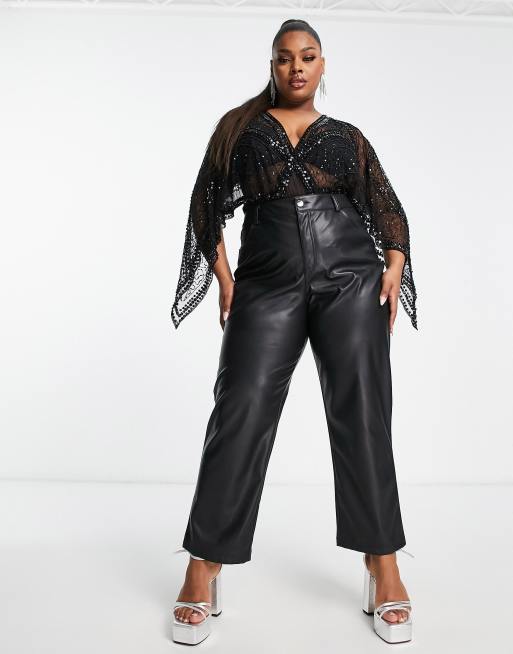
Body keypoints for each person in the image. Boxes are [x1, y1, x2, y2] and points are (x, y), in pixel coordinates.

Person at [170, 18, 418, 646]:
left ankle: (382, 564)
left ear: (322, 65)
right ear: (273, 65)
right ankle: (204, 565)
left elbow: (386, 206)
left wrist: (392, 265)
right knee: (242, 406)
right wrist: (225, 279)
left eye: (308, 57)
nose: (297, 67)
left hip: (350, 276)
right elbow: (204, 206)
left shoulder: (346, 137)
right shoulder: (241, 130)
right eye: (285, 58)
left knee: (363, 411)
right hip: (267, 280)